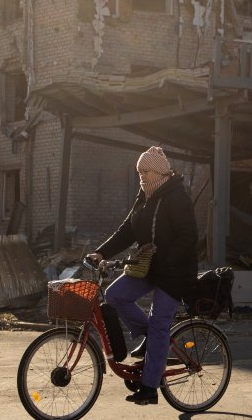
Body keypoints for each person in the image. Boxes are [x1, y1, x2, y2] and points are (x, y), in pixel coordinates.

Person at [86, 146, 198, 405]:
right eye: (139, 172)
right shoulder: (145, 196)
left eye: (146, 171)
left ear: (159, 171)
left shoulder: (177, 197)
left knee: (159, 323)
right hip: (149, 266)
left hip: (175, 272)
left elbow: (189, 237)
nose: (142, 176)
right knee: (115, 295)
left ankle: (149, 388)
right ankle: (153, 337)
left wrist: (165, 257)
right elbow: (128, 229)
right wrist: (101, 253)